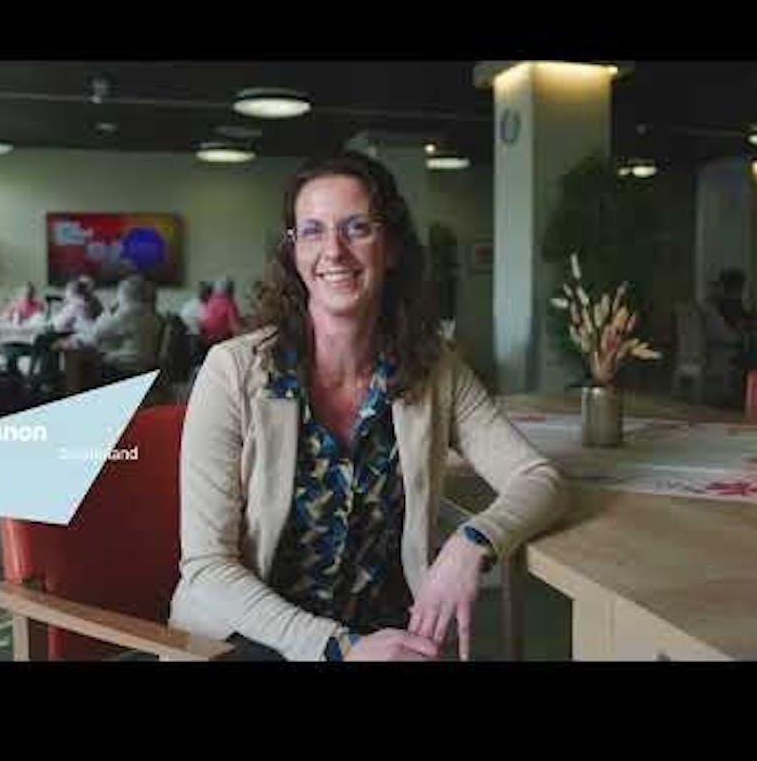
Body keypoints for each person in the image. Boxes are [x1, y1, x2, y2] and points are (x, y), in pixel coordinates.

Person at [169, 151, 568, 662]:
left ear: (392, 245)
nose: (333, 251)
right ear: (293, 251)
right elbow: (207, 566)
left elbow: (540, 480)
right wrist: (338, 646)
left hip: (384, 639)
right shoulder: (232, 371)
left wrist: (473, 540)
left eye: (356, 228)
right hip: (248, 638)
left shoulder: (434, 369)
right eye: (312, 231)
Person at [68, 274, 163, 378]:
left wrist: (108, 311)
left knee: (81, 363)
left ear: (124, 294)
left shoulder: (128, 314)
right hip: (144, 367)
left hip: (125, 369)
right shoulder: (153, 315)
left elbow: (97, 334)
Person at [198, 276, 242, 347]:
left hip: (205, 338)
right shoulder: (229, 303)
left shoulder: (210, 301)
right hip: (219, 339)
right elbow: (235, 325)